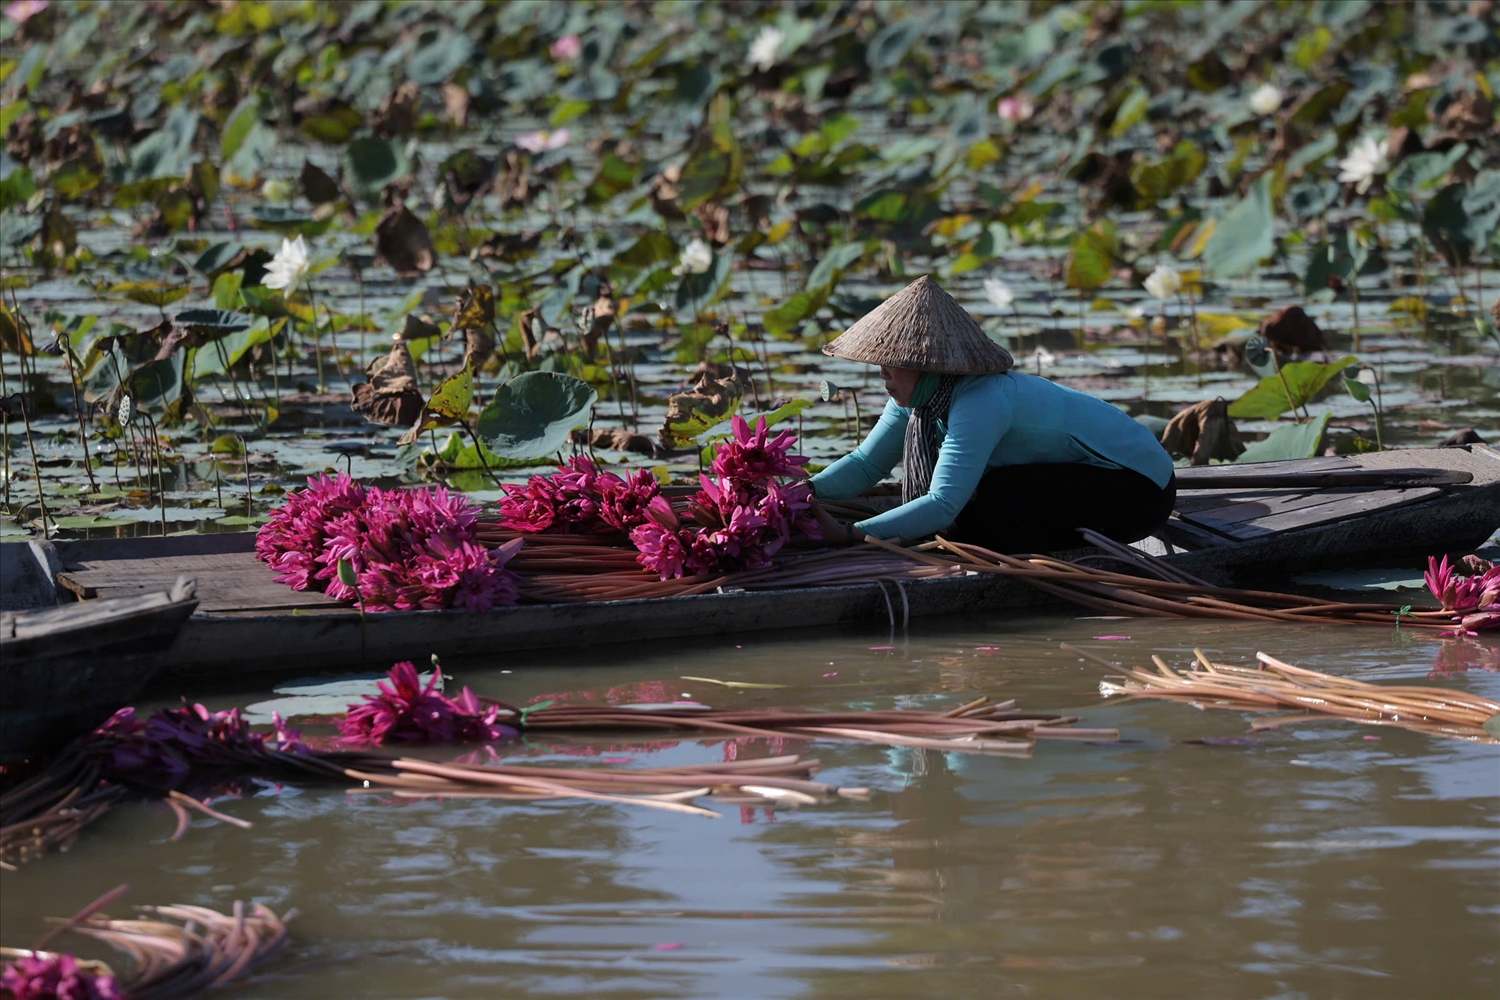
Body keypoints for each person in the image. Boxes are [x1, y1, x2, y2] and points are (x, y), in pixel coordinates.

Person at [808, 275, 1176, 554]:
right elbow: (866, 464)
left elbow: (942, 503)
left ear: (928, 364)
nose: (883, 372)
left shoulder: (981, 398)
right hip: (1077, 481)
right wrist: (801, 493)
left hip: (1140, 487)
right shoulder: (916, 397)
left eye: (893, 363)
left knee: (986, 506)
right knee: (975, 511)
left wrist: (849, 535)